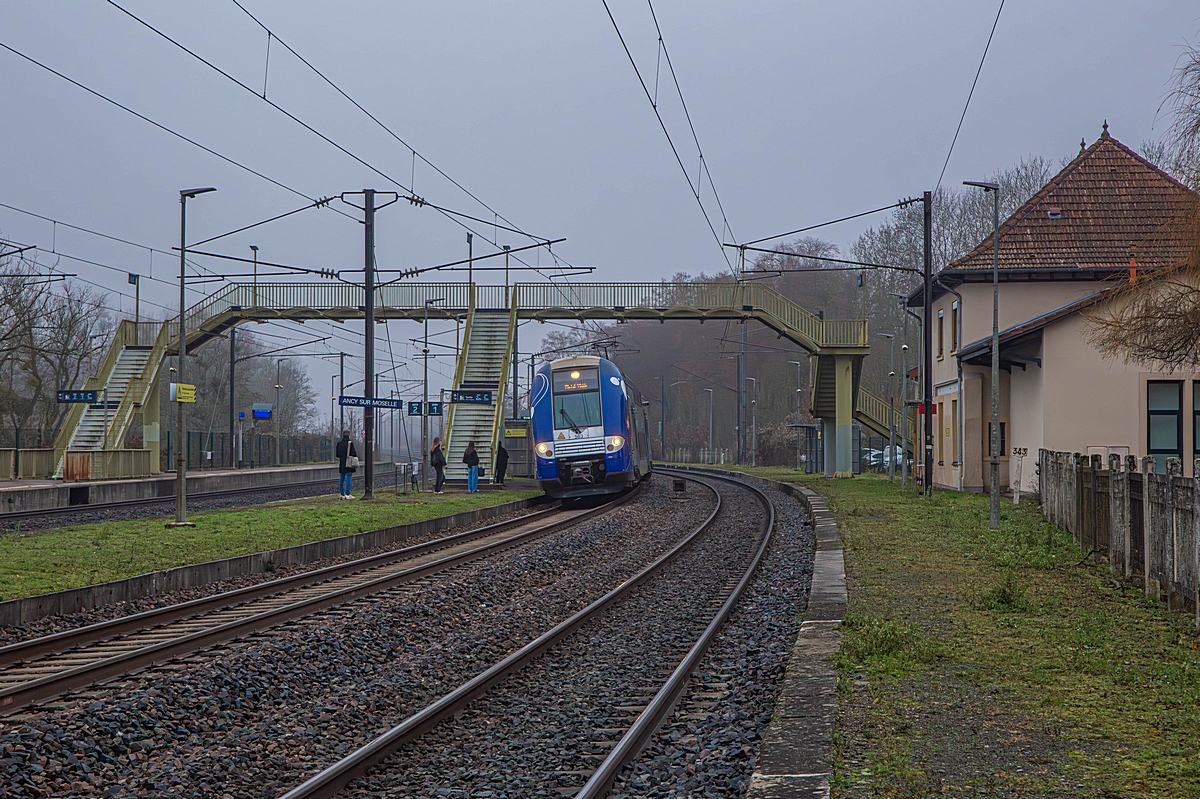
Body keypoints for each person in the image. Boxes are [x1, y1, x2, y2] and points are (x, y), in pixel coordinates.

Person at [335, 430, 357, 499]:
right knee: (348, 478)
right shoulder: (350, 443)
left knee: (341, 478)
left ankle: (342, 494)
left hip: (342, 463)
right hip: (349, 464)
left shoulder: (339, 443)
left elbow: (337, 454)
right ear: (349, 435)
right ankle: (348, 494)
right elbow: (354, 453)